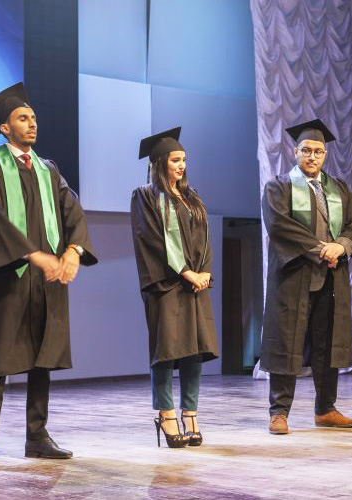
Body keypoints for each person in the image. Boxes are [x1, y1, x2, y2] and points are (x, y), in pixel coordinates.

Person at [0, 82, 97, 470]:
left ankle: (37, 437)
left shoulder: (47, 168)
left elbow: (73, 211)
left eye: (34, 118)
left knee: (42, 356)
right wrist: (34, 255)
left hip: (48, 279)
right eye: (22, 118)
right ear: (4, 128)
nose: (32, 124)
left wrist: (73, 251)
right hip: (10, 277)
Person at [260, 119, 352, 435]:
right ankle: (279, 412)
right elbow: (280, 226)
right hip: (295, 275)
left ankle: (325, 409)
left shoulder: (339, 188)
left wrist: (341, 246)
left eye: (318, 152)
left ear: (325, 155)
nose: (312, 156)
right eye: (306, 150)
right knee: (287, 341)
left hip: (332, 278)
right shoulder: (279, 187)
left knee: (328, 340)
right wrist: (320, 249)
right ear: (295, 152)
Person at [130, 127, 219, 448]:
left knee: (194, 350)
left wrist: (205, 271)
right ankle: (166, 415)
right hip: (165, 285)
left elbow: (205, 237)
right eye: (175, 160)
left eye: (184, 160)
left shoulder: (191, 196)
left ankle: (190, 413)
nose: (182, 165)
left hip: (196, 283)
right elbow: (151, 241)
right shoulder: (145, 196)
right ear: (159, 163)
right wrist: (185, 272)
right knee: (166, 352)